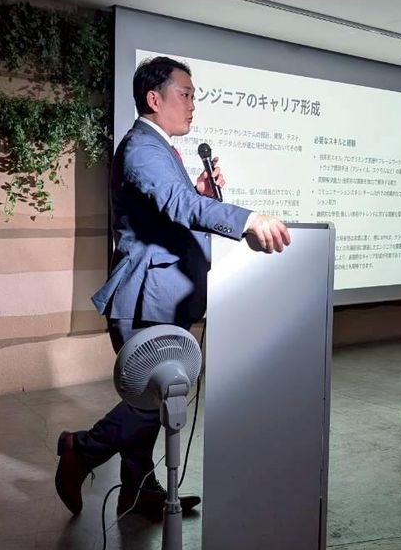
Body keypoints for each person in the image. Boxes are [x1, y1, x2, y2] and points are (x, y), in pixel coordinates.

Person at [55, 55, 290, 518]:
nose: (192, 104)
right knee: (155, 398)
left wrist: (200, 193)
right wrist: (247, 219)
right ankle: (80, 449)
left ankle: (138, 489)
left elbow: (171, 211)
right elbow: (179, 206)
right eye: (185, 94)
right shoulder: (143, 147)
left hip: (162, 295)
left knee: (152, 398)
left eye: (193, 96)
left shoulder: (160, 149)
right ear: (154, 98)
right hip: (146, 297)